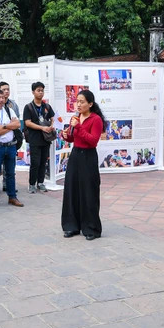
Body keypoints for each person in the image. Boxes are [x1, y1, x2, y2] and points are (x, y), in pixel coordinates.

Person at [61, 89, 104, 240]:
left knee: (88, 192)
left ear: (90, 104)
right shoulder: (76, 117)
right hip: (75, 155)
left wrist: (78, 127)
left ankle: (91, 228)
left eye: (82, 102)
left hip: (88, 157)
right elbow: (75, 139)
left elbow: (93, 141)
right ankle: (71, 226)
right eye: (77, 101)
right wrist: (66, 135)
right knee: (72, 190)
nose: (78, 104)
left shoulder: (96, 119)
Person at [23, 81, 55, 193]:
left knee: (43, 162)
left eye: (42, 90)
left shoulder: (46, 106)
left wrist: (51, 126)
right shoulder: (28, 107)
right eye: (38, 90)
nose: (41, 93)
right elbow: (27, 123)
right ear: (33, 92)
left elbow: (52, 118)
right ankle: (32, 184)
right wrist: (42, 128)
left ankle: (41, 182)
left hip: (46, 139)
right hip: (34, 139)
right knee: (35, 163)